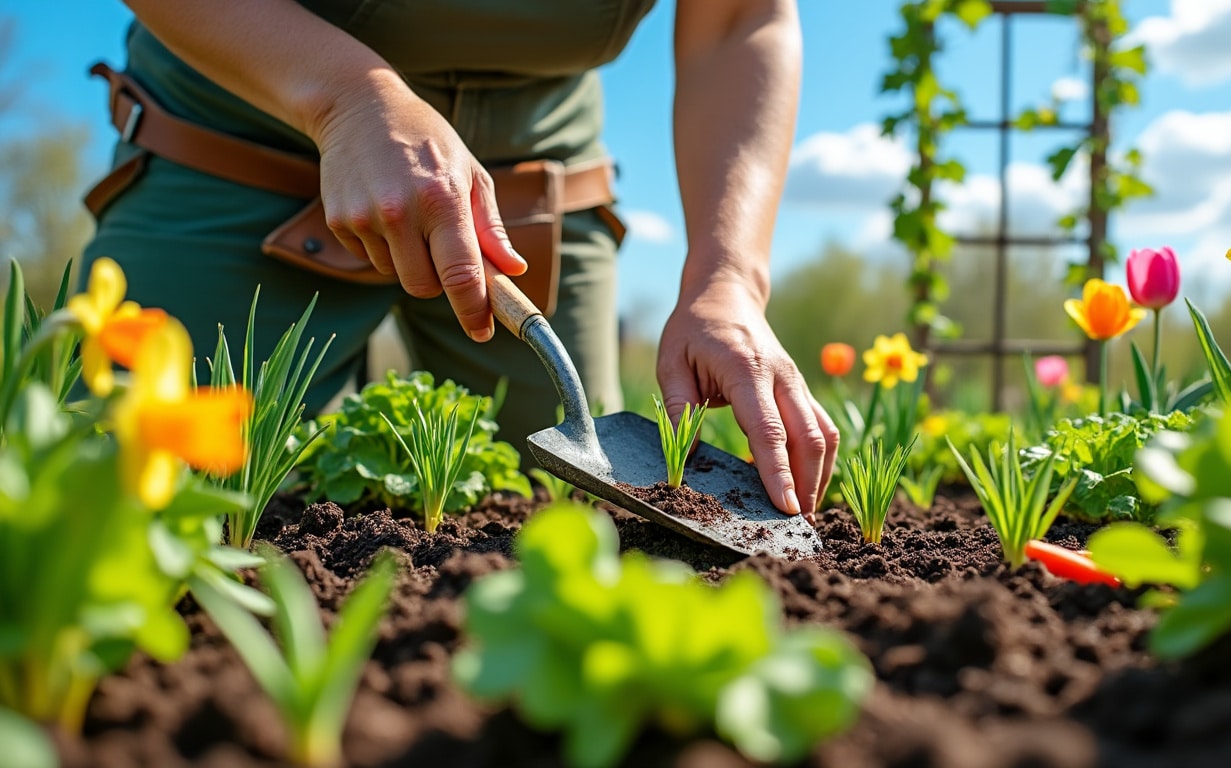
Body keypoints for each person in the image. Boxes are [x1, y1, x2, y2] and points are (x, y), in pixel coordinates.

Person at [81, 0, 838, 518]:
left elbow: (741, 16)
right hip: (240, 131)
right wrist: (345, 98)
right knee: (135, 493)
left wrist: (728, 276)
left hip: (530, 185)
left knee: (580, 516)